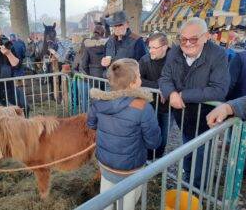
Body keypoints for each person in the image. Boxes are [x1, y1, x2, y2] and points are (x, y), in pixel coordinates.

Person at [158, 17, 230, 188]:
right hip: (183, 115)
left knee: (201, 154)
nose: (188, 43)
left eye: (194, 39)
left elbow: (219, 89)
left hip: (206, 117)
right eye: (183, 39)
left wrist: (183, 95)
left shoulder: (218, 54)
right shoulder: (174, 52)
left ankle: (197, 189)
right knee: (188, 148)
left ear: (206, 37)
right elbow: (164, 78)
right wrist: (171, 93)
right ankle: (188, 178)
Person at [87, 58, 161, 210]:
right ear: (133, 82)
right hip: (130, 169)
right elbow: (154, 142)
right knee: (127, 203)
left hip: (106, 164)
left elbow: (91, 124)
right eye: (139, 75)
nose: (141, 78)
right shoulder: (143, 106)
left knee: (106, 198)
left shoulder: (99, 101)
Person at [139, 32, 172, 159]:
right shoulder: (145, 60)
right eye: (149, 47)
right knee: (148, 132)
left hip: (166, 107)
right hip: (149, 104)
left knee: (163, 136)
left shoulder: (175, 60)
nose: (151, 50)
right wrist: (160, 86)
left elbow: (178, 80)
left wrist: (167, 87)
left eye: (154, 48)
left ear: (164, 47)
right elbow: (139, 80)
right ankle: (147, 159)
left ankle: (157, 161)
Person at [206, 95, 246, 173]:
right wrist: (229, 107)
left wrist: (229, 107)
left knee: (240, 147)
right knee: (238, 145)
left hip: (239, 113)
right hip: (237, 111)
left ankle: (235, 172)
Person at [101, 11, 147, 77]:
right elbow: (105, 57)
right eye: (115, 25)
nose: (117, 28)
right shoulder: (109, 41)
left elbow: (142, 65)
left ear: (127, 24)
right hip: (110, 81)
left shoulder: (137, 41)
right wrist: (104, 62)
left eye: (120, 25)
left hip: (126, 83)